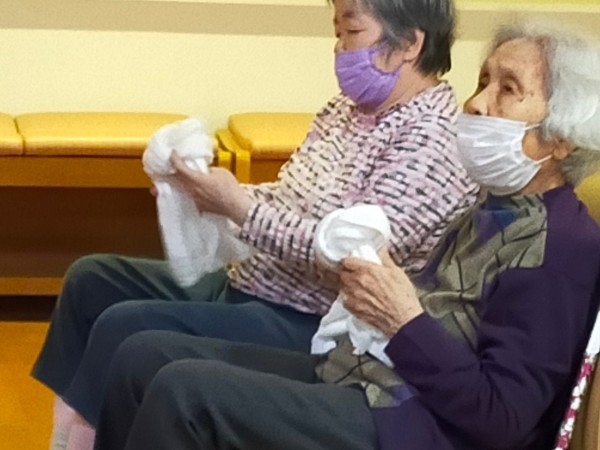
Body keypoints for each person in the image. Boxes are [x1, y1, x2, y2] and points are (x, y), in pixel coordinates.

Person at [93, 21, 600, 450]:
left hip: (412, 423)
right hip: (369, 378)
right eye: (483, 81)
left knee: (184, 393)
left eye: (508, 89)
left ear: (560, 136)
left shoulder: (561, 247)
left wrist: (403, 319)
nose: (477, 103)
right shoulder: (496, 206)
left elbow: (503, 419)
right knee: (145, 356)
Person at [33, 0, 478, 448]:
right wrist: (208, 191)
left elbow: (350, 260)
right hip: (256, 279)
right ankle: (69, 436)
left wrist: (239, 208)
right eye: (337, 33)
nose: (339, 49)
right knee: (91, 280)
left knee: (125, 329)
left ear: (410, 43)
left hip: (308, 316)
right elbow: (290, 196)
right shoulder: (345, 111)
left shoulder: (433, 140)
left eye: (352, 32)